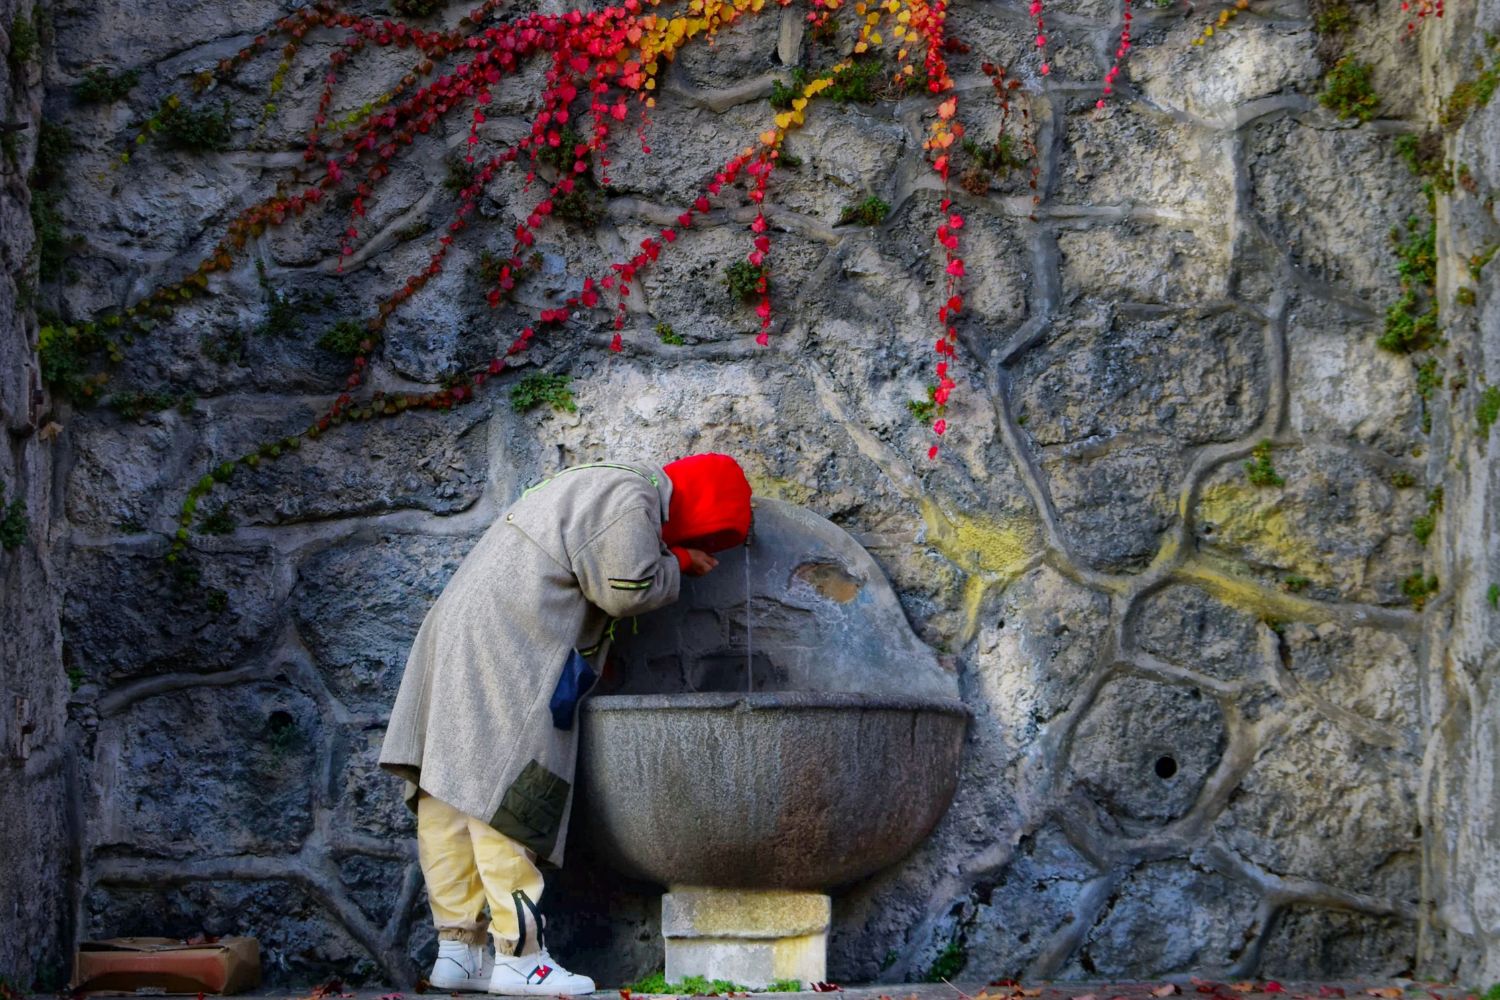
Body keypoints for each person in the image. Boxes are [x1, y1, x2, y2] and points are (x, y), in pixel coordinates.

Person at [379, 453, 753, 995]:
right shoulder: (634, 495)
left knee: (451, 790)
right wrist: (680, 565)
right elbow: (626, 588)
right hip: (508, 645)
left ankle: (458, 951)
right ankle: (519, 957)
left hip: (462, 628)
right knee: (508, 795)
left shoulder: (591, 479)